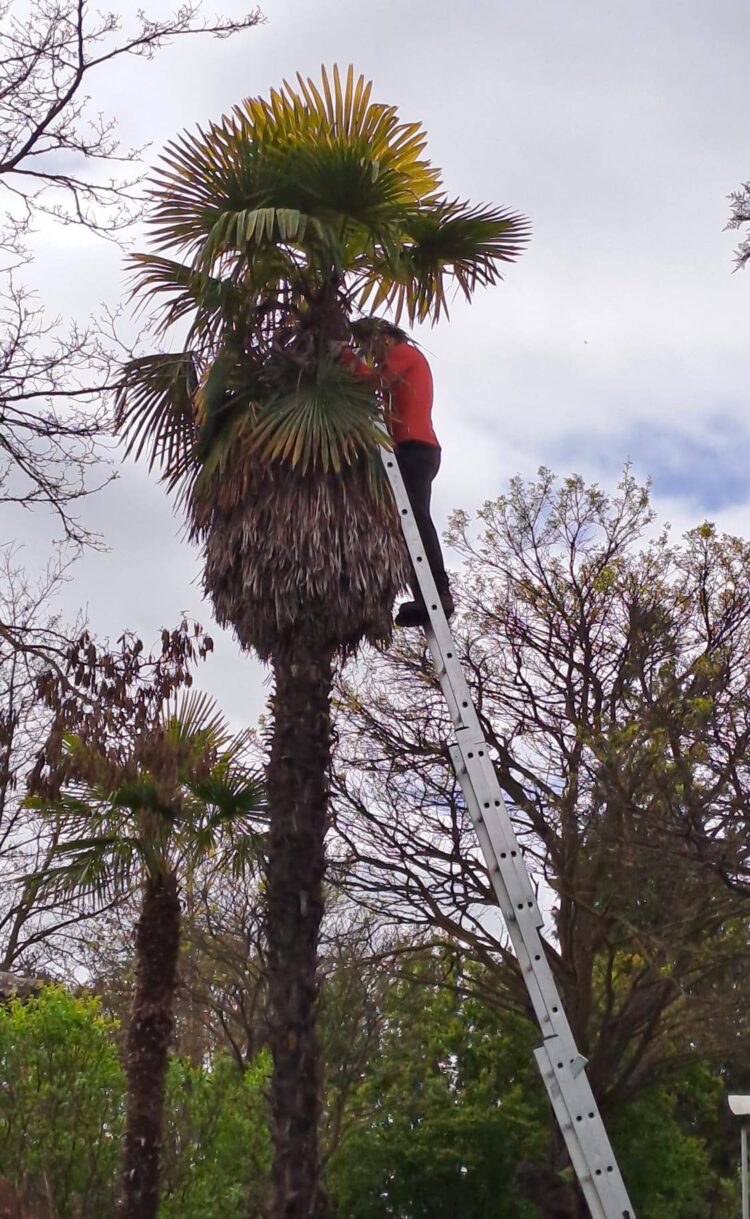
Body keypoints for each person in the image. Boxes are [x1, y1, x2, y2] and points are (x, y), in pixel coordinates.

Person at [342, 318, 454, 628]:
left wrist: (345, 357)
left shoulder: (404, 352)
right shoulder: (399, 356)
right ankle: (425, 594)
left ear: (385, 337)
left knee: (416, 516)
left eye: (372, 347)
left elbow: (376, 381)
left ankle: (439, 592)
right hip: (410, 447)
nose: (373, 356)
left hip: (417, 447)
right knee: (406, 523)